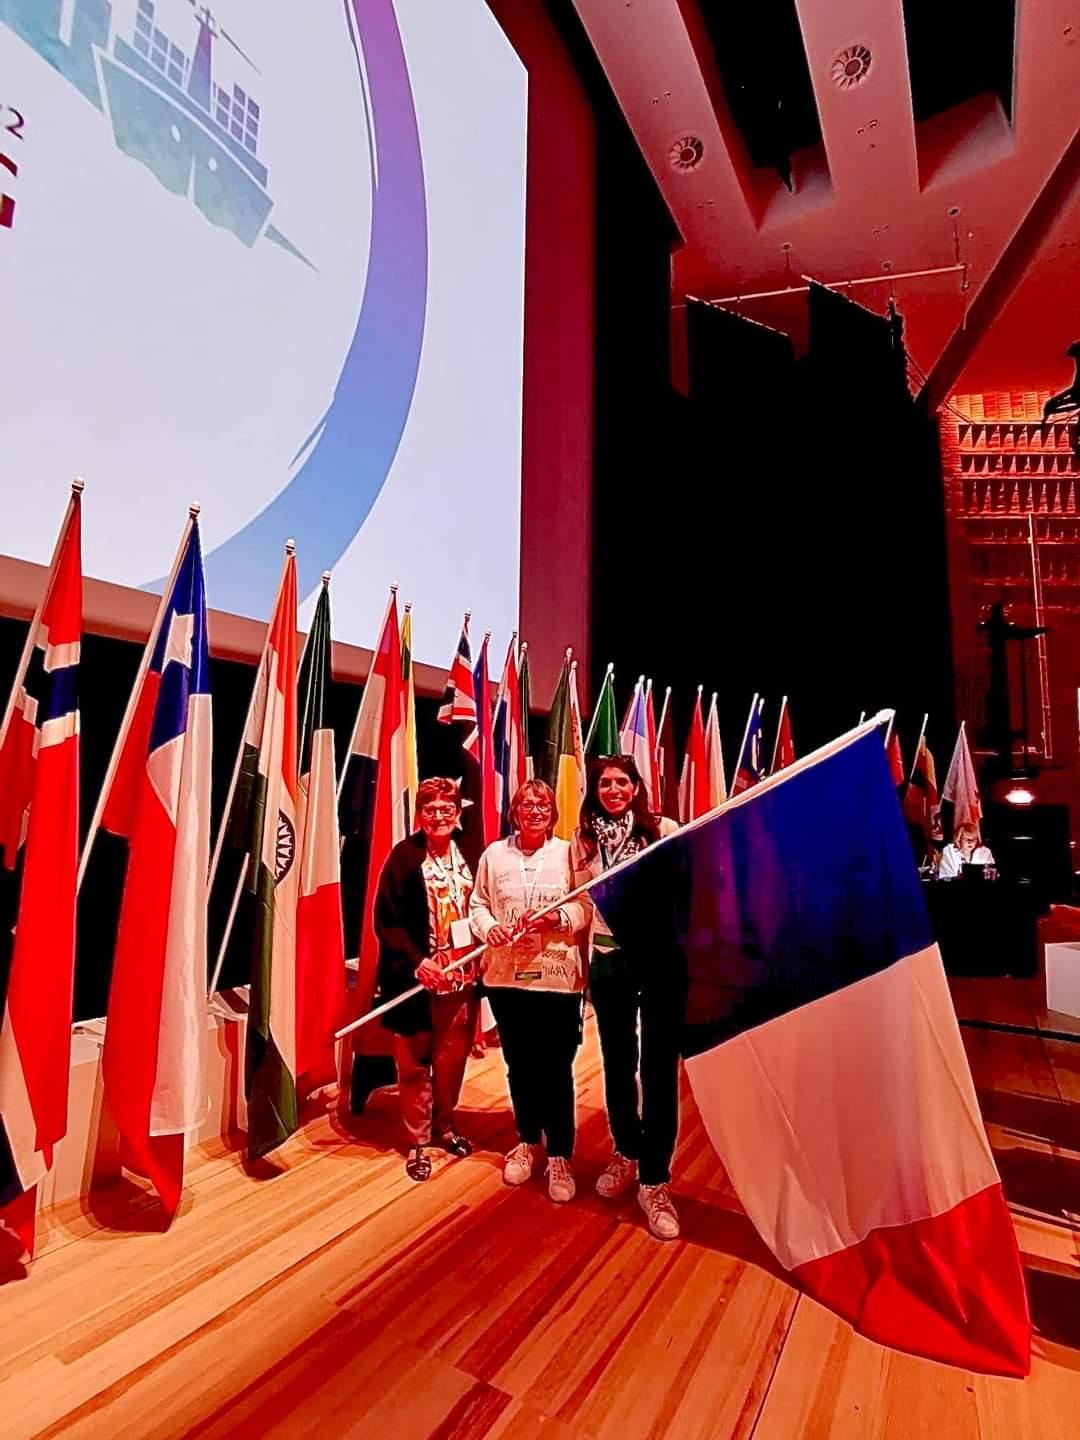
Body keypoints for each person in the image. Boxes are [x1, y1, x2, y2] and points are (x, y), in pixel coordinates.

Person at [571, 756, 682, 1241]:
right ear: (594, 790)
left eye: (622, 782)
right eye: (604, 783)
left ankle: (655, 1179)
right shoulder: (584, 840)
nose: (613, 790)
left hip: (658, 959)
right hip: (608, 959)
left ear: (637, 786)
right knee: (617, 1061)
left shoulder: (664, 829)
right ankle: (626, 1150)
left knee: (658, 1067)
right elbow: (579, 901)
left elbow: (684, 891)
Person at [469, 779, 590, 1203]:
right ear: (515, 812)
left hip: (556, 979)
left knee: (555, 1067)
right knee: (519, 1065)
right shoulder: (494, 855)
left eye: (542, 804)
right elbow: (477, 905)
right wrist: (490, 928)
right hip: (507, 977)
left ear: (553, 812)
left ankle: (559, 1153)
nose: (534, 810)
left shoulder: (569, 853)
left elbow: (587, 905)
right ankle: (527, 1141)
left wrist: (558, 919)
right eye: (526, 804)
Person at [374, 778, 479, 1182]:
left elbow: (482, 904)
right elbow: (387, 921)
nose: (439, 816)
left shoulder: (470, 852)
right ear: (420, 815)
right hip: (417, 980)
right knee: (415, 1063)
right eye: (431, 809)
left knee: (451, 1059)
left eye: (446, 808)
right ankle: (418, 1140)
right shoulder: (403, 858)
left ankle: (446, 1126)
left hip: (461, 977)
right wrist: (419, 963)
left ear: (458, 813)